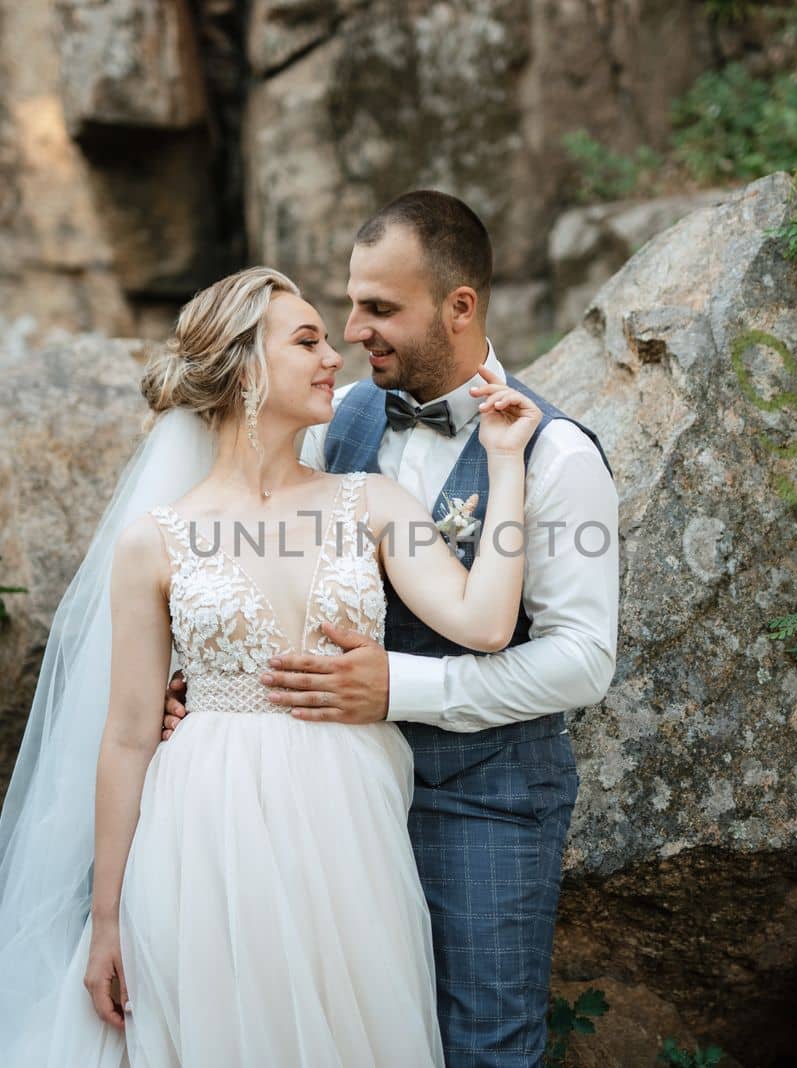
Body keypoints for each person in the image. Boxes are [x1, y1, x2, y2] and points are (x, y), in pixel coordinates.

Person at [0, 265, 544, 1068]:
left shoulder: (369, 502)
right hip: (200, 836)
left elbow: (484, 624)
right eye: (306, 340)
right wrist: (104, 924)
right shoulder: (154, 542)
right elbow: (127, 739)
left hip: (349, 833)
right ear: (241, 367)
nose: (333, 355)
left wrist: (506, 461)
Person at [163, 191, 621, 1066]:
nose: (352, 329)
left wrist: (402, 688)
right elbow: (254, 541)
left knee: (483, 1046)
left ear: (460, 306)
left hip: (481, 797)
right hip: (328, 793)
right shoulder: (339, 417)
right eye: (350, 303)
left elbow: (582, 661)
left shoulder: (556, 456)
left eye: (380, 308)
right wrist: (201, 690)